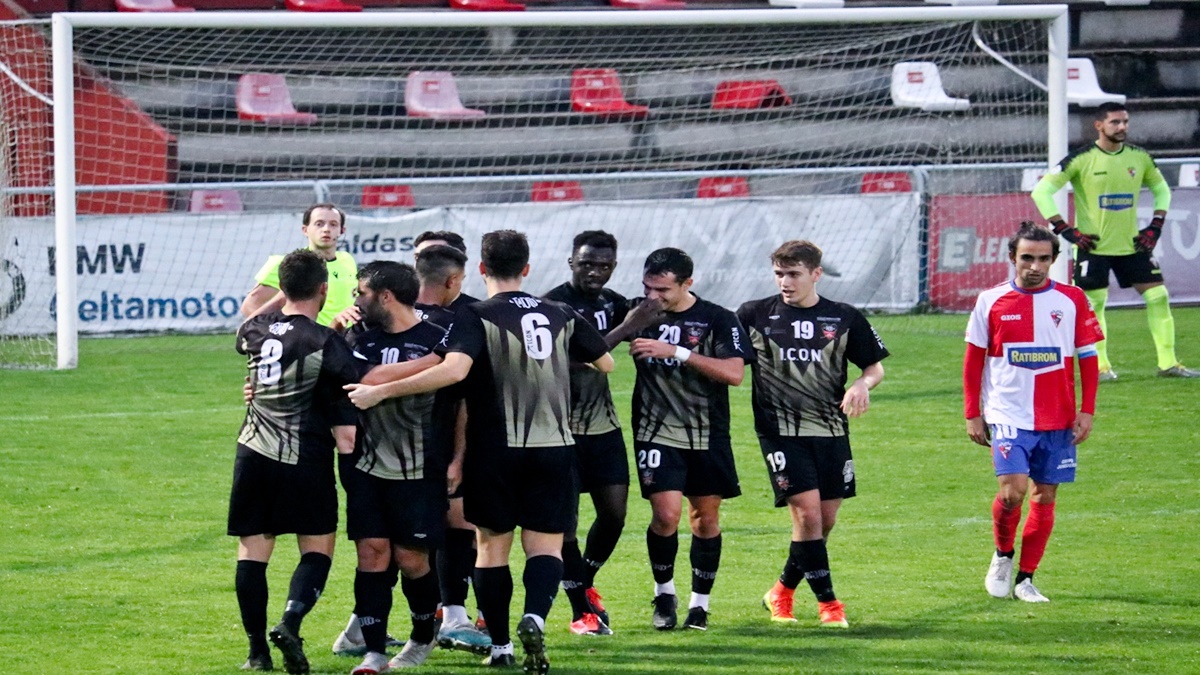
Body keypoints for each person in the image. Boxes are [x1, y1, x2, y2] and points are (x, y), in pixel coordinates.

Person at [345, 230, 613, 673]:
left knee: (491, 549)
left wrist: (382, 391)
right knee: (545, 545)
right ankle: (536, 617)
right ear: (527, 268)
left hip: (496, 449)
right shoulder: (560, 311)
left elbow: (453, 370)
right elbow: (606, 362)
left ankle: (503, 645)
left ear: (482, 270)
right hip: (555, 446)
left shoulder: (475, 315)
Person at [738, 240, 888, 629]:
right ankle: (829, 605)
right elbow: (728, 358)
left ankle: (781, 591)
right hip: (780, 432)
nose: (785, 282)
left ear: (815, 274)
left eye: (793, 274)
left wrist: (861, 385)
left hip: (831, 429)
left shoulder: (843, 318)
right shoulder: (754, 315)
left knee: (824, 520)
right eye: (779, 274)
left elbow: (874, 367)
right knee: (806, 516)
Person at [230, 249, 359, 674]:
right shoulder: (323, 340)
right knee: (318, 546)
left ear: (282, 288)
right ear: (324, 289)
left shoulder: (254, 332)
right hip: (304, 455)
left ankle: (255, 652)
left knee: (252, 552)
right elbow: (356, 380)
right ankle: (290, 620)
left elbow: (247, 327)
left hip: (252, 452)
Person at [964, 223, 1103, 603]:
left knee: (1044, 496)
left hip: (1058, 417)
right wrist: (972, 413)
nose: (1035, 266)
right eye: (1027, 258)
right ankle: (1003, 555)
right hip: (1007, 413)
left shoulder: (1073, 300)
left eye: (1043, 259)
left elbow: (1089, 360)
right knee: (1013, 493)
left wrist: (1087, 411)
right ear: (1013, 258)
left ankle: (1026, 579)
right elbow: (973, 360)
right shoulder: (990, 301)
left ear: (1054, 261)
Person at [625, 248, 750, 632]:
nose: (653, 297)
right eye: (648, 287)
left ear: (687, 284)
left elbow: (734, 374)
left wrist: (677, 352)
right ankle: (664, 594)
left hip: (706, 434)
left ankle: (700, 604)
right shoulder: (636, 312)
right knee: (665, 517)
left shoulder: (717, 318)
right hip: (655, 431)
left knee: (704, 519)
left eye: (662, 289)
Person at [542, 230, 660, 636]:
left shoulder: (611, 303)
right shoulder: (552, 305)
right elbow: (569, 360)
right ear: (571, 261)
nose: (595, 271)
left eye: (604, 265)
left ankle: (584, 579)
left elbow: (651, 323)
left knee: (614, 515)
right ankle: (582, 612)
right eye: (587, 263)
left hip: (603, 427)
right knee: (567, 526)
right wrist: (628, 327)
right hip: (560, 430)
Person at [340, 261, 454, 674]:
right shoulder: (361, 339)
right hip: (368, 467)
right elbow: (364, 377)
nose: (356, 300)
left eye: (361, 293)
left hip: (421, 469)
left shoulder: (438, 335)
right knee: (371, 555)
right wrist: (433, 362)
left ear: (384, 296)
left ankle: (423, 635)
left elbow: (461, 405)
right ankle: (373, 652)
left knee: (411, 560)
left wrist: (458, 459)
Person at [1031, 102, 1198, 380]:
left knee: (1158, 296)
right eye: (1115, 122)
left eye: (1125, 122)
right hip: (1092, 247)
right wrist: (1066, 230)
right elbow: (1042, 192)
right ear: (1099, 125)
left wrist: (1155, 226)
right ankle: (1101, 367)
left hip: (1131, 244)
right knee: (1093, 306)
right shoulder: (1080, 159)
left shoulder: (1139, 157)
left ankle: (1168, 364)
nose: (1122, 127)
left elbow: (1162, 190)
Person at [241, 203, 357, 327]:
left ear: (342, 230)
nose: (326, 229)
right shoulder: (288, 264)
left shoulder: (347, 259)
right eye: (319, 224)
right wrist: (282, 333)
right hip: (313, 343)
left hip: (347, 340)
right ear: (305, 230)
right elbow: (250, 305)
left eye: (333, 224)